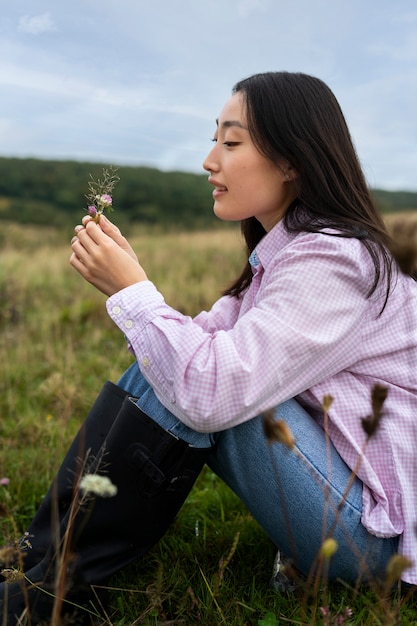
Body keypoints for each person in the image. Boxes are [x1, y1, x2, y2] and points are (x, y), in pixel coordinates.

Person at [1, 71, 416, 624]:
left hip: (377, 543)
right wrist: (138, 299)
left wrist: (133, 292)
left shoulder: (336, 262)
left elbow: (210, 392)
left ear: (292, 160)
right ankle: (40, 563)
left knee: (191, 377)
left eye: (231, 141)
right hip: (346, 505)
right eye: (213, 138)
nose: (209, 160)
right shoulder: (287, 254)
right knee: (173, 360)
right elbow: (194, 343)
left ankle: (49, 587)